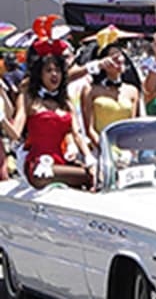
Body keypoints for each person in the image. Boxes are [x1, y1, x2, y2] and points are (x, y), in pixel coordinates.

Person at [9, 44, 90, 188]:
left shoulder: (65, 102)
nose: (54, 74)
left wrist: (89, 158)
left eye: (58, 70)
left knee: (97, 175)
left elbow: (76, 134)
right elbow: (15, 133)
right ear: (40, 74)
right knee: (46, 174)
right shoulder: (28, 98)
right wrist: (2, 119)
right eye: (49, 70)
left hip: (61, 162)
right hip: (37, 165)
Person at [81, 33, 140, 148]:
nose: (119, 59)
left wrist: (129, 151)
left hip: (125, 149)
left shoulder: (132, 91)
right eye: (113, 56)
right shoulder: (91, 90)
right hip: (100, 147)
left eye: (121, 55)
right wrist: (105, 150)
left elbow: (133, 127)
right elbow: (89, 129)